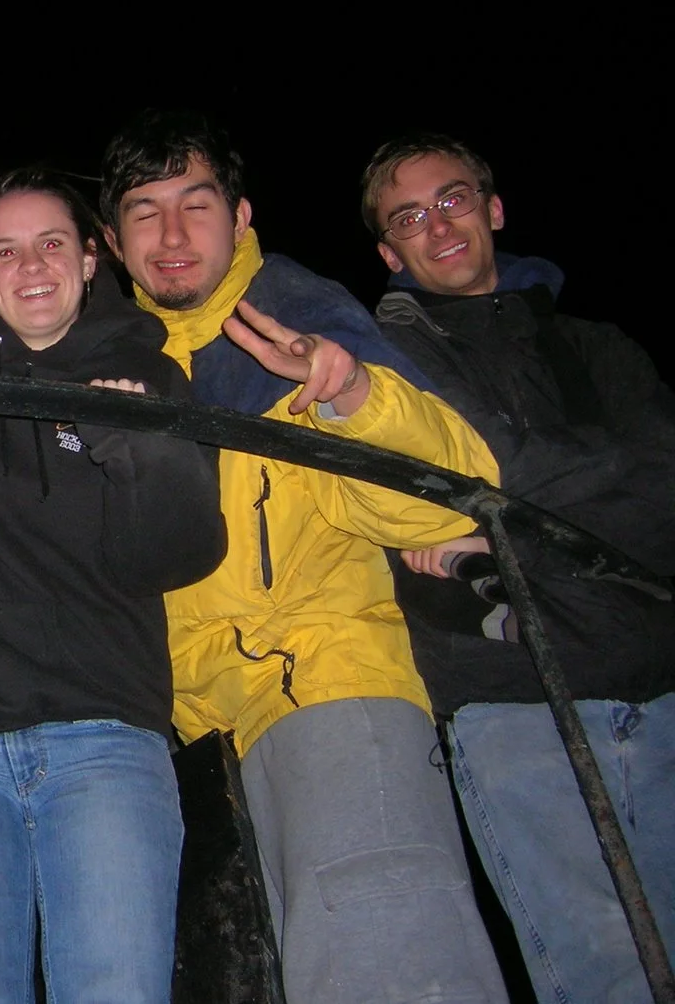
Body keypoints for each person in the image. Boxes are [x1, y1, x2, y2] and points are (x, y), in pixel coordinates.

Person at [98, 109, 509, 1004]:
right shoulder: (116, 356)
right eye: (144, 210)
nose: (172, 235)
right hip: (195, 740)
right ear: (112, 241)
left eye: (197, 205)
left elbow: (452, 494)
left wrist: (354, 396)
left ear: (241, 217)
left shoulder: (298, 314)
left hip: (328, 693)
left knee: (392, 973)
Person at [364, 133, 675, 1002]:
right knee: (597, 967)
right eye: (410, 217)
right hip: (514, 693)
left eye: (454, 199)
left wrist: (499, 531)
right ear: (390, 252)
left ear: (493, 209)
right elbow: (444, 470)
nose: (440, 225)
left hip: (657, 674)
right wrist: (573, 488)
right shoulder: (393, 365)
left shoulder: (597, 347)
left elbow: (660, 490)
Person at [0, 168, 227, 1002]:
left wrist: (133, 444)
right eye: (3, 252)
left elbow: (181, 552)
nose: (31, 265)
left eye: (52, 243)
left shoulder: (150, 376)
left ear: (90, 260)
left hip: (107, 736)